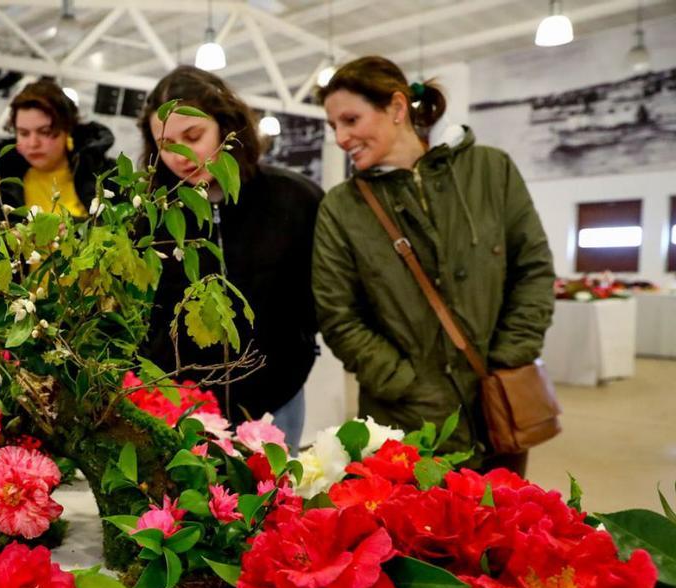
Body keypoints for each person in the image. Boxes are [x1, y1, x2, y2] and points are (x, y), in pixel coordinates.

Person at [312, 56, 555, 473]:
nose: (341, 137)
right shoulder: (341, 207)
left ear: (397, 108)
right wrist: (404, 382)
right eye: (334, 126)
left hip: (497, 410)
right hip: (403, 424)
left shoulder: (491, 171)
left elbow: (532, 269)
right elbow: (337, 314)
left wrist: (509, 358)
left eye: (350, 120)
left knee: (504, 530)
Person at [140, 66, 323, 450]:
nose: (182, 155)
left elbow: (322, 296)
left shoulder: (295, 199)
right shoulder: (148, 217)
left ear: (226, 126)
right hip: (181, 410)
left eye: (193, 136)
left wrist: (299, 346)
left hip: (278, 398)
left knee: (273, 505)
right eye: (166, 144)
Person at [0, 79, 114, 229]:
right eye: (23, 133)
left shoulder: (106, 175)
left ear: (67, 129)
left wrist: (75, 230)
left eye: (44, 132)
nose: (33, 143)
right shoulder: (1, 178)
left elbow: (125, 232)